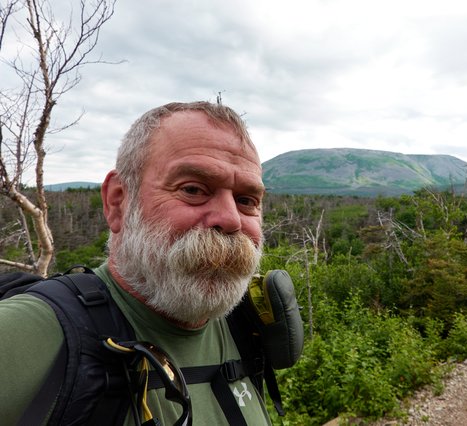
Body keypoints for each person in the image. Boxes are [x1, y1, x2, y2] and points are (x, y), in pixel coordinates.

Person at [0, 101, 271, 425]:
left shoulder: (246, 328)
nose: (231, 220)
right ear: (117, 202)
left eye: (246, 200)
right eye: (193, 189)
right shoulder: (29, 334)